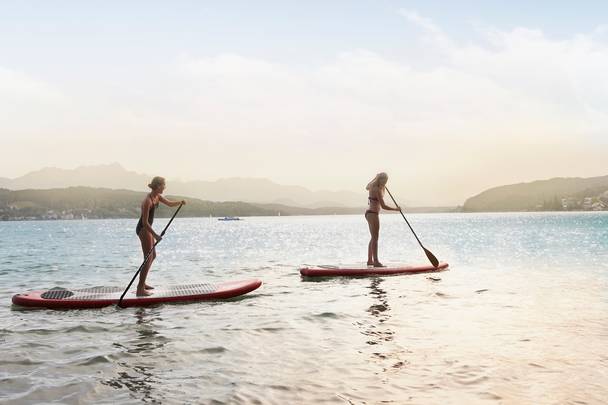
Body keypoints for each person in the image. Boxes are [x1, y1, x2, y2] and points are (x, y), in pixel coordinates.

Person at [135, 176, 185, 296]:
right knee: (148, 257)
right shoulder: (147, 201)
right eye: (163, 185)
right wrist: (156, 235)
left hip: (147, 229)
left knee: (153, 256)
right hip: (143, 228)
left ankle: (143, 283)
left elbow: (169, 203)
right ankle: (140, 289)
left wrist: (180, 202)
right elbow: (145, 222)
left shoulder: (157, 196)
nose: (165, 187)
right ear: (158, 186)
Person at [365, 172, 400, 267]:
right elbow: (383, 206)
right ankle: (375, 261)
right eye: (382, 179)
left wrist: (376, 179)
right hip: (372, 214)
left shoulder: (373, 186)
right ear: (378, 179)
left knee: (373, 237)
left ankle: (369, 260)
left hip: (370, 214)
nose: (384, 182)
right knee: (375, 238)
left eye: (386, 180)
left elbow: (367, 186)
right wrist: (396, 209)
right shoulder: (376, 189)